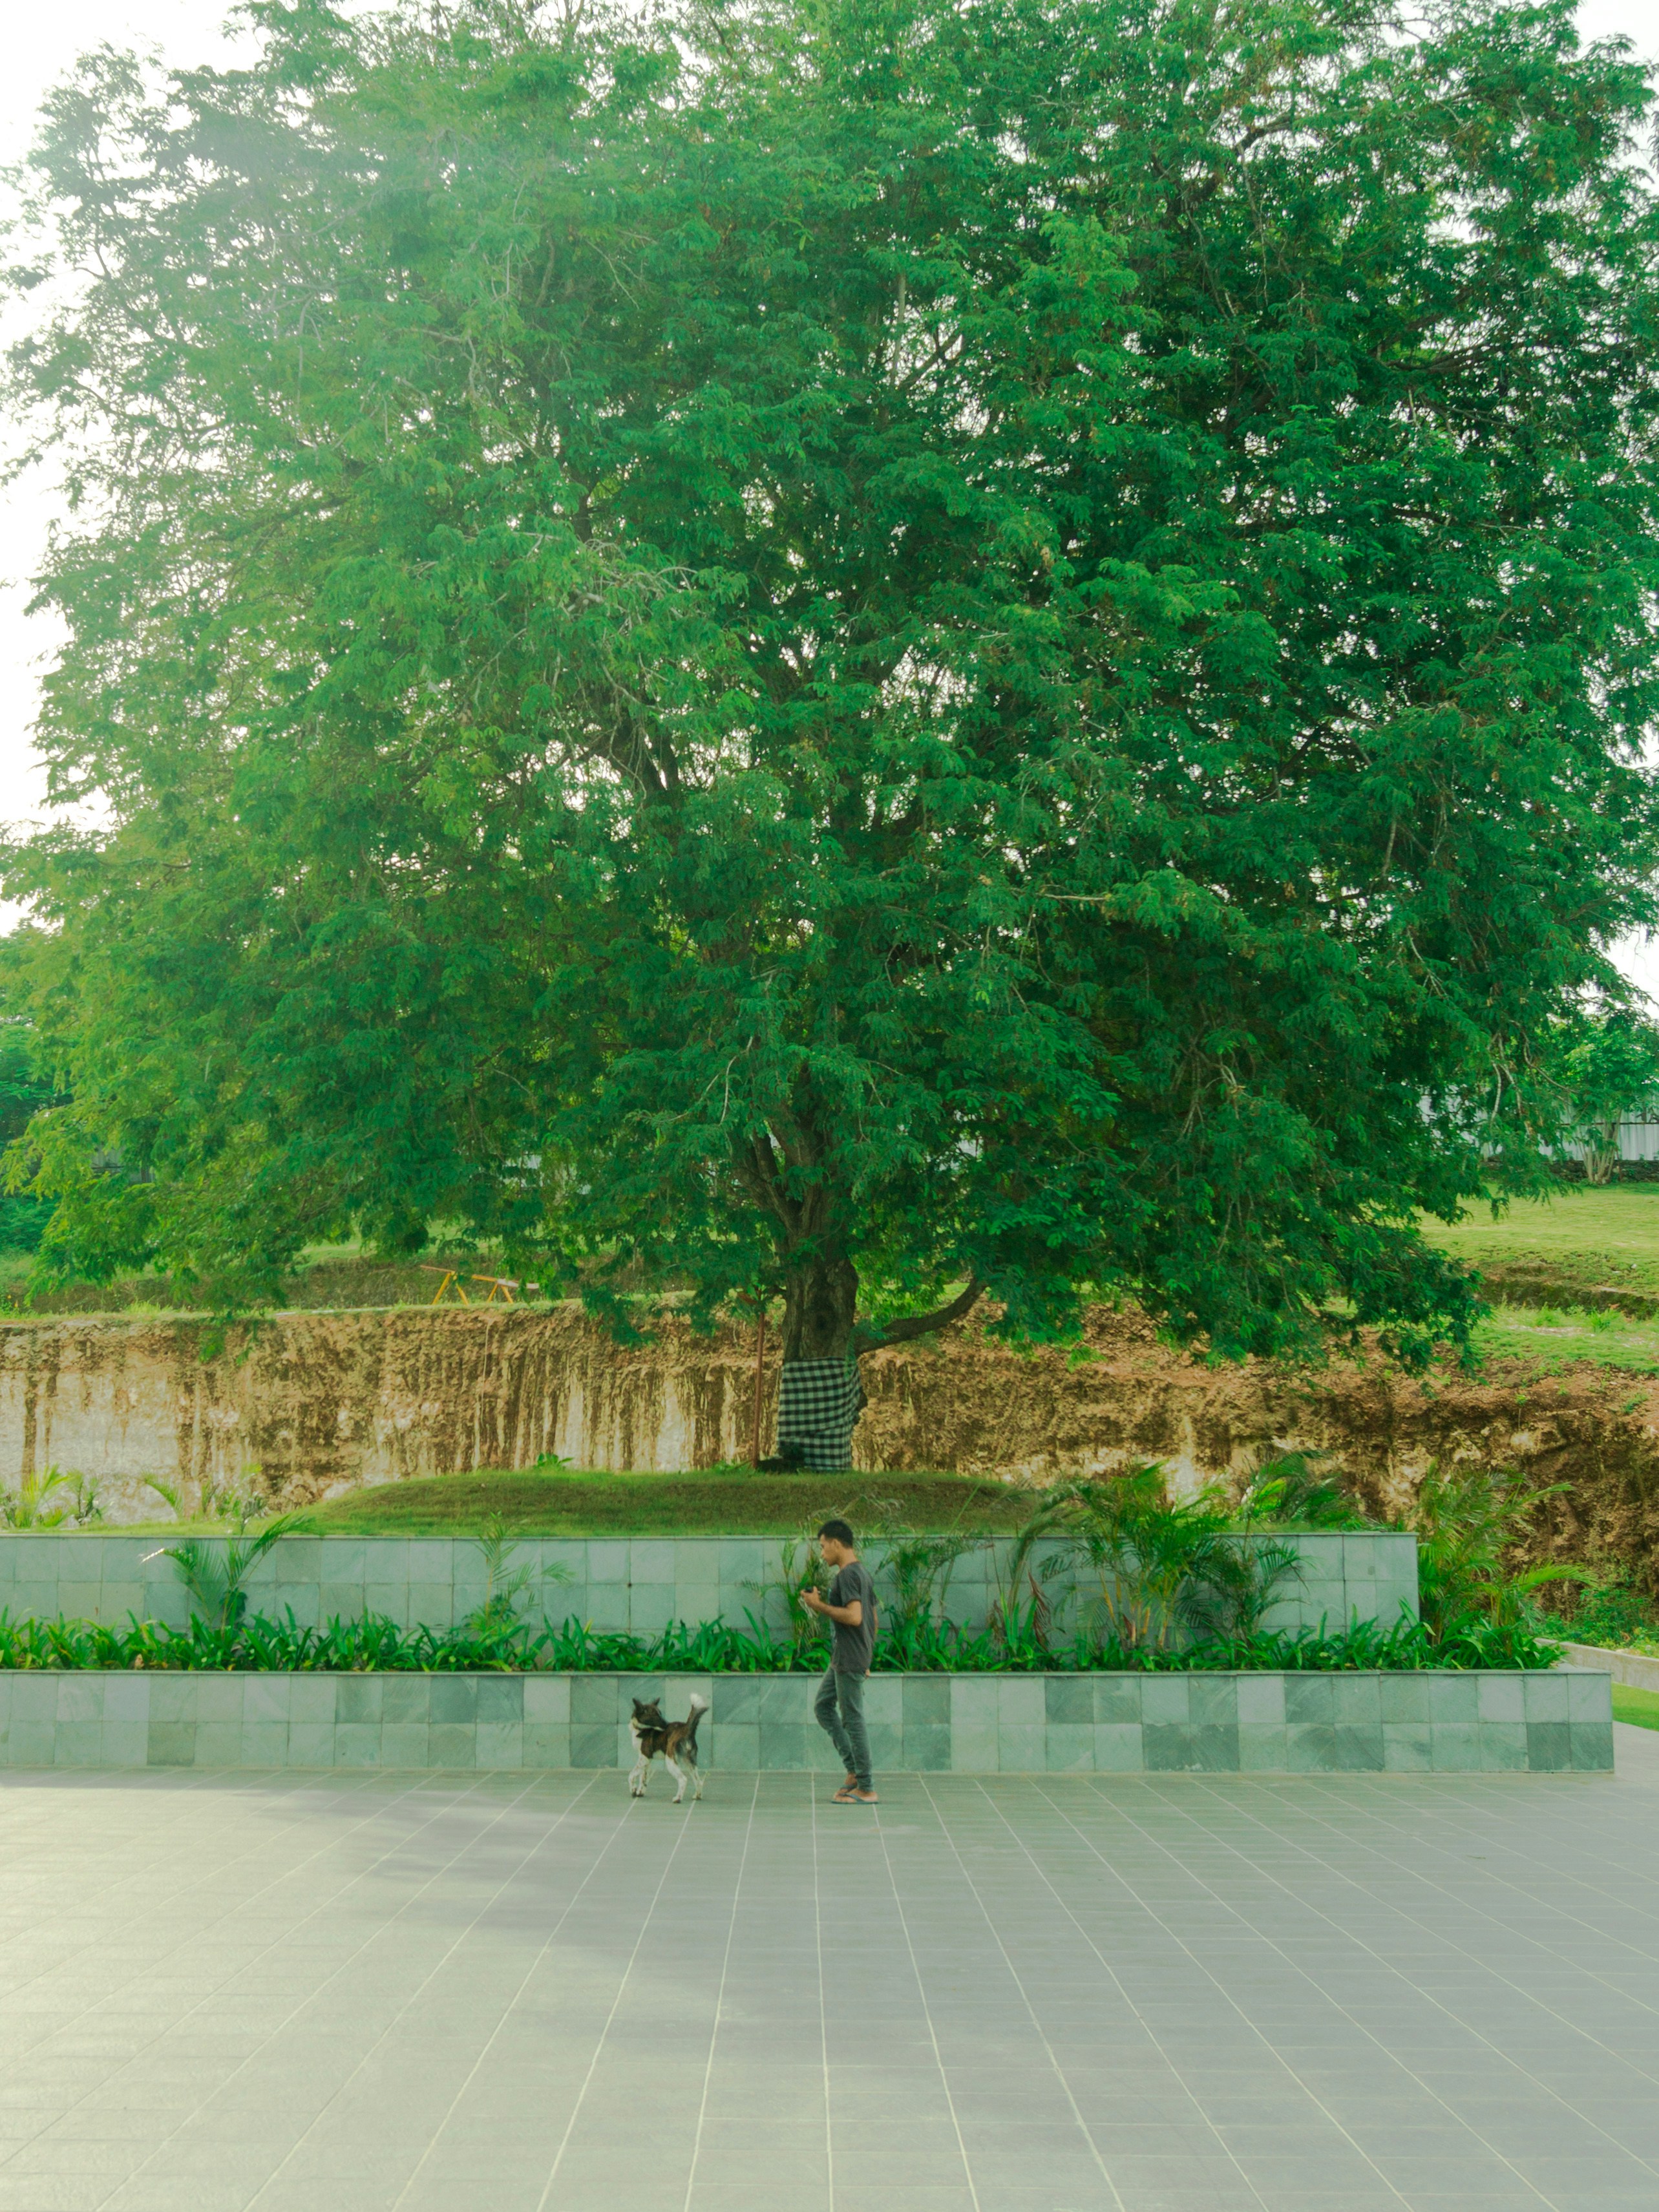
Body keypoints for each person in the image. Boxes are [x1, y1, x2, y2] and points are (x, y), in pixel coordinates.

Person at [804, 1518, 879, 1803]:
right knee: (823, 1706)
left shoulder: (847, 1575)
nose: (822, 1553)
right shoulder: (862, 1573)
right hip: (846, 1657)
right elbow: (873, 1619)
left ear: (836, 1543)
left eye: (824, 1547)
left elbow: (856, 1617)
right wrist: (867, 1656)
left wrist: (818, 1606)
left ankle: (866, 1787)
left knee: (853, 1720)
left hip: (849, 1658)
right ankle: (854, 1770)